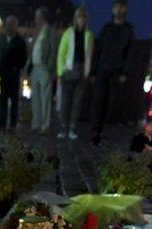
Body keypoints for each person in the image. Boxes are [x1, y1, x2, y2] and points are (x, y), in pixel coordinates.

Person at [90, 0, 133, 143]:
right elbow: (98, 50)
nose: (119, 10)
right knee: (98, 100)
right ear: (113, 9)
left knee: (111, 101)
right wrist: (93, 71)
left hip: (117, 70)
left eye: (121, 7)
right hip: (102, 68)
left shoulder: (128, 29)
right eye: (116, 7)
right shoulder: (106, 28)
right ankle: (95, 129)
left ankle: (105, 130)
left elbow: (129, 52)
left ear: (125, 9)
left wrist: (124, 72)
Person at [56, 7, 93, 139]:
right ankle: (63, 127)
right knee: (66, 101)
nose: (81, 20)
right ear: (76, 19)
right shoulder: (69, 33)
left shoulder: (88, 35)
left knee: (77, 102)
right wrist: (60, 72)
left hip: (82, 71)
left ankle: (72, 128)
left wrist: (87, 72)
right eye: (79, 17)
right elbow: (61, 53)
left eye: (83, 17)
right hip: (69, 70)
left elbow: (89, 55)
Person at [0, 15, 27, 132]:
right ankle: (2, 124)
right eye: (8, 25)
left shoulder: (20, 42)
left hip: (13, 75)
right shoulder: (3, 40)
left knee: (14, 101)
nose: (9, 27)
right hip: (3, 75)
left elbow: (23, 59)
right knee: (2, 101)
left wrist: (16, 68)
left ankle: (12, 125)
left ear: (15, 26)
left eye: (12, 25)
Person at [29, 7, 58, 134]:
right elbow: (33, 51)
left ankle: (45, 125)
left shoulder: (50, 31)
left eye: (37, 17)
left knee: (45, 98)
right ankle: (36, 124)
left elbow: (54, 50)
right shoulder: (37, 32)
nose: (35, 19)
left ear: (42, 18)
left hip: (44, 67)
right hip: (35, 68)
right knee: (35, 98)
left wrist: (50, 66)